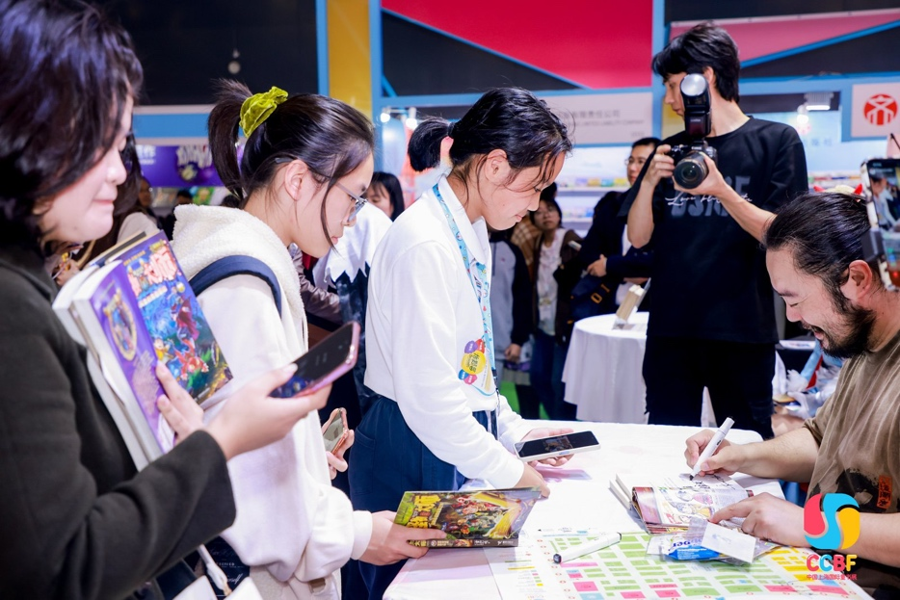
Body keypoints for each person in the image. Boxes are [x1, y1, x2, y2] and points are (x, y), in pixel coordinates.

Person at [0, 1, 332, 598]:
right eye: (101, 145)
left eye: (121, 145)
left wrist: (170, 447)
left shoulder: (27, 282)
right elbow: (68, 567)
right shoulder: (11, 309)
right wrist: (221, 438)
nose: (119, 173)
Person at [171, 81, 444, 599]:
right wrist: (360, 533)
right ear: (298, 179)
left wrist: (304, 452)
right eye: (353, 197)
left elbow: (227, 435)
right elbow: (247, 482)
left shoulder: (232, 260)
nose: (356, 215)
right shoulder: (244, 287)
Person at [348, 87, 575, 599]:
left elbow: (469, 367)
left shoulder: (468, 229)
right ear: (495, 166)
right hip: (412, 445)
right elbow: (430, 401)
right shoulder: (424, 241)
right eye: (535, 187)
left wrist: (515, 434)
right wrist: (511, 470)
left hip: (450, 436)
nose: (537, 205)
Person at [686, 191, 900, 597]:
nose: (793, 317)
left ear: (857, 279)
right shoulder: (864, 340)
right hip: (820, 570)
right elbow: (825, 441)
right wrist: (742, 454)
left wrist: (809, 525)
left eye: (795, 299)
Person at [625, 22, 808, 439]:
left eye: (674, 86)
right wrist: (650, 181)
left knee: (747, 447)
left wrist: (721, 190)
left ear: (703, 78)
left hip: (742, 329)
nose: (670, 100)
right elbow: (637, 239)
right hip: (671, 329)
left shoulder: (777, 141)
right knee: (665, 446)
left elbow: (782, 234)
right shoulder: (669, 149)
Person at [573, 137, 658, 316]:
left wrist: (609, 265)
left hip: (652, 309)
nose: (632, 168)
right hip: (606, 305)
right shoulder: (613, 205)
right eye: (631, 160)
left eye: (641, 161)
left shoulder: (668, 206)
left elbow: (658, 262)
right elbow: (588, 254)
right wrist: (628, 270)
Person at [530, 191, 580, 420]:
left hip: (563, 324)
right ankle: (557, 419)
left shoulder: (570, 239)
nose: (545, 216)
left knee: (558, 382)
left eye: (549, 210)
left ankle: (565, 424)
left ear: (559, 213)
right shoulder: (538, 242)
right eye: (539, 213)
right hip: (543, 323)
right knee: (538, 377)